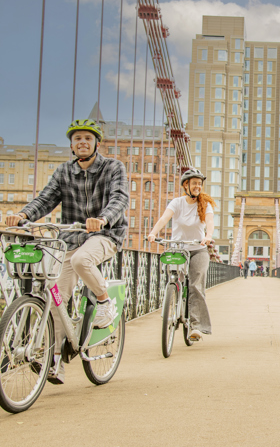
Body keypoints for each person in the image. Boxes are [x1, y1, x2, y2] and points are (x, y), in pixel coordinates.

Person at [5, 118, 129, 384]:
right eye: (77, 139)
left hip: (105, 234)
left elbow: (120, 198)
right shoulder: (63, 171)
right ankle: (56, 361)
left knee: (85, 260)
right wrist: (23, 214)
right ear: (72, 146)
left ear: (97, 143)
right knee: (56, 298)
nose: (82, 142)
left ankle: (104, 302)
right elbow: (46, 198)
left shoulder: (113, 167)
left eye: (87, 138)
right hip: (71, 237)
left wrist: (104, 218)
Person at [148, 168, 214, 341]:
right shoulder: (177, 203)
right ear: (186, 185)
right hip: (178, 248)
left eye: (200, 184)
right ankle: (173, 296)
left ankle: (196, 326)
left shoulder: (205, 204)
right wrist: (153, 233)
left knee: (195, 286)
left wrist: (208, 236)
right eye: (194, 183)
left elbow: (209, 222)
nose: (197, 186)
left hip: (198, 249)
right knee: (173, 277)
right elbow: (164, 218)